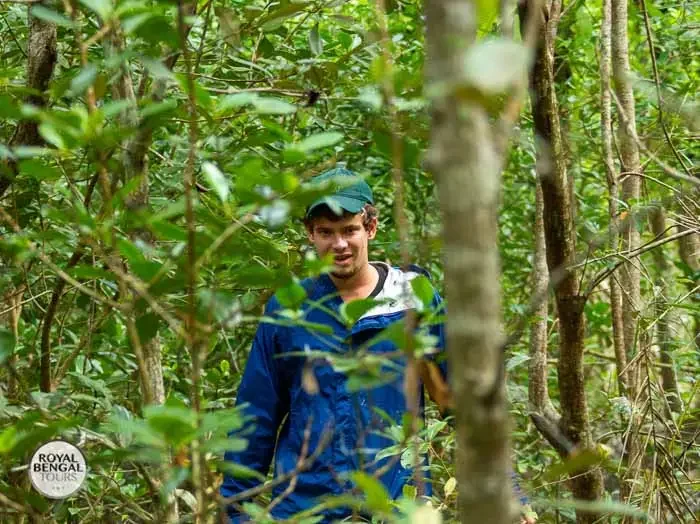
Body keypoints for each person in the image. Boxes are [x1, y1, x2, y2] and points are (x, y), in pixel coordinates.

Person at [221, 167, 534, 523]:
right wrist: (234, 511)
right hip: (307, 508)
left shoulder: (411, 299)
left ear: (370, 228)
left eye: (349, 230)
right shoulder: (289, 307)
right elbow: (256, 415)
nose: (339, 244)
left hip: (398, 505)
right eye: (326, 232)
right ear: (310, 234)